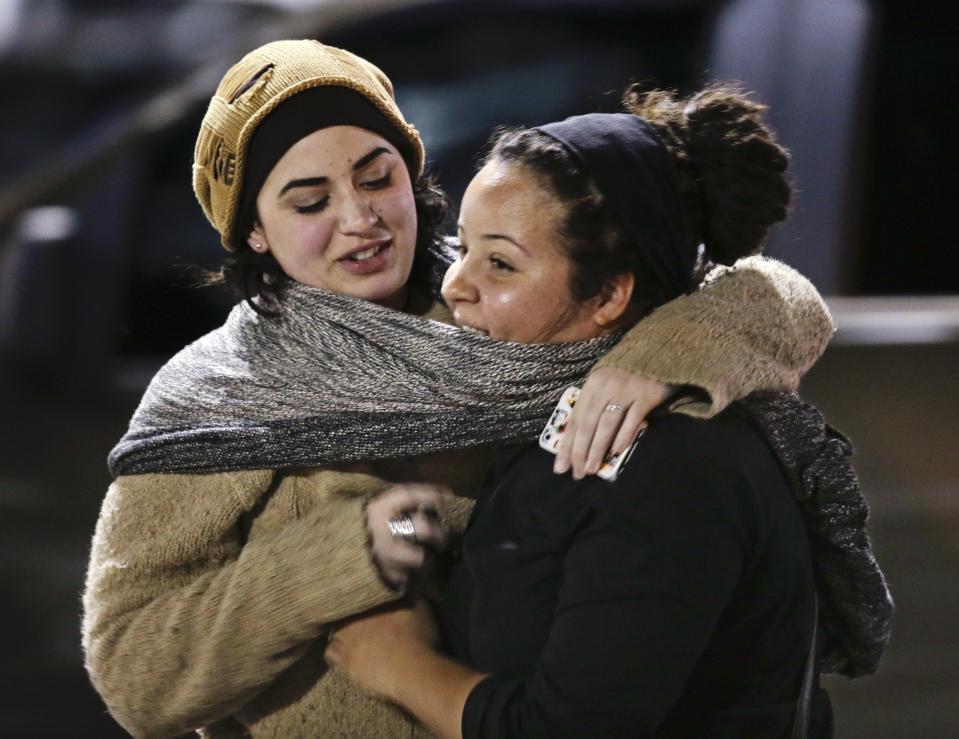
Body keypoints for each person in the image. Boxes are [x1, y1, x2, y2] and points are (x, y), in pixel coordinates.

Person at [82, 41, 840, 738]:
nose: (361, 219)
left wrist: (668, 352)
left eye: (377, 176)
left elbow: (761, 292)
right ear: (253, 230)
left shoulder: (503, 298)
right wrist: (335, 560)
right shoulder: (220, 396)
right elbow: (134, 676)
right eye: (309, 202)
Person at [325, 85, 893, 738]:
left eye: (502, 263)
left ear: (607, 295)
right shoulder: (531, 404)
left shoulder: (672, 465)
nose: (457, 284)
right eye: (463, 245)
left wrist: (398, 664)